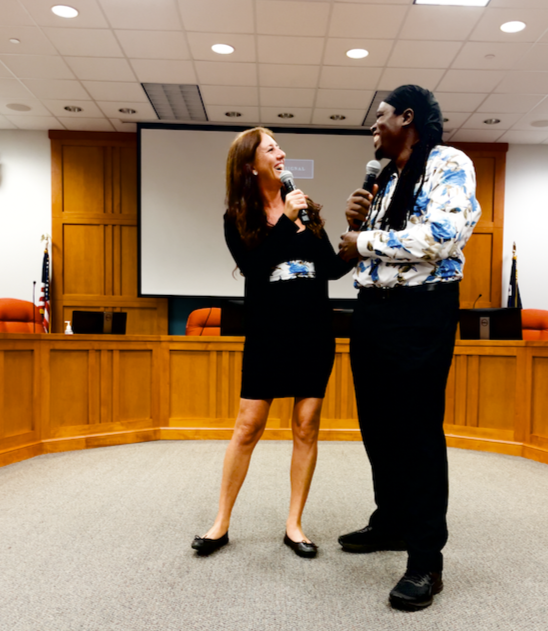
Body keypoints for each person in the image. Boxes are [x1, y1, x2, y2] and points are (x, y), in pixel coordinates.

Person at [338, 85, 482, 610]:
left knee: (417, 434)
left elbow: (441, 235)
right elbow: (362, 252)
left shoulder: (449, 163)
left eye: (379, 117)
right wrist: (357, 226)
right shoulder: (387, 177)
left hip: (422, 311)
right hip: (373, 311)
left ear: (408, 116)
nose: (373, 126)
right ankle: (391, 522)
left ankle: (426, 562)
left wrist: (365, 242)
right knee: (377, 426)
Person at [192, 127, 353, 559]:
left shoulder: (306, 207)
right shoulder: (237, 216)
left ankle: (294, 525)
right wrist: (285, 220)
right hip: (268, 332)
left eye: (281, 147)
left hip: (314, 330)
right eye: (271, 148)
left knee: (306, 426)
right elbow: (255, 268)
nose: (281, 153)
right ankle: (220, 523)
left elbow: (330, 271)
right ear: (250, 163)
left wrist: (357, 237)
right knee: (248, 428)